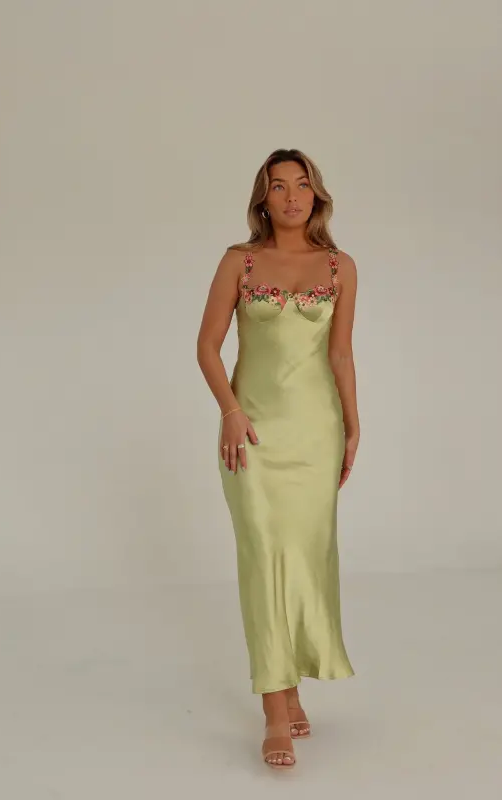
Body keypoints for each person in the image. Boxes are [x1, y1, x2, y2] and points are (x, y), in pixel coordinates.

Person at [196, 148, 359, 770]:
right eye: (278, 186)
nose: (292, 196)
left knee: (305, 557)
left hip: (316, 432)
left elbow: (340, 354)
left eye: (302, 185)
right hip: (252, 433)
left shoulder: (341, 267)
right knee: (262, 554)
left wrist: (352, 424)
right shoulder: (238, 261)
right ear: (262, 199)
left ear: (317, 195)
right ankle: (273, 708)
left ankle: (291, 687)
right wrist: (230, 411)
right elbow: (208, 345)